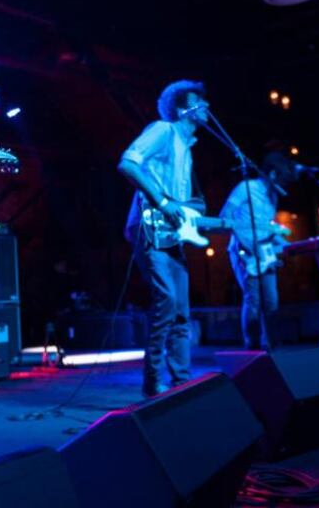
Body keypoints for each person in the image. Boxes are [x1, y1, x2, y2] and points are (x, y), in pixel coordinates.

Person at [117, 80, 208, 398]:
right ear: (184, 109)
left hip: (172, 235)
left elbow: (184, 202)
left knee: (182, 308)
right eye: (200, 103)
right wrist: (164, 202)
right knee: (167, 301)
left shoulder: (188, 149)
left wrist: (192, 212)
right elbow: (128, 163)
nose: (207, 107)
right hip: (149, 228)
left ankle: (181, 380)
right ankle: (152, 381)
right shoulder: (163, 130)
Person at [219, 151, 296, 350]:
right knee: (253, 300)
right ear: (271, 175)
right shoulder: (246, 188)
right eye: (282, 180)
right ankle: (251, 347)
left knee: (271, 301)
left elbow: (266, 225)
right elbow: (225, 216)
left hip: (266, 253)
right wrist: (247, 242)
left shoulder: (273, 197)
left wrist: (285, 242)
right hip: (244, 252)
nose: (284, 187)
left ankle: (271, 345)